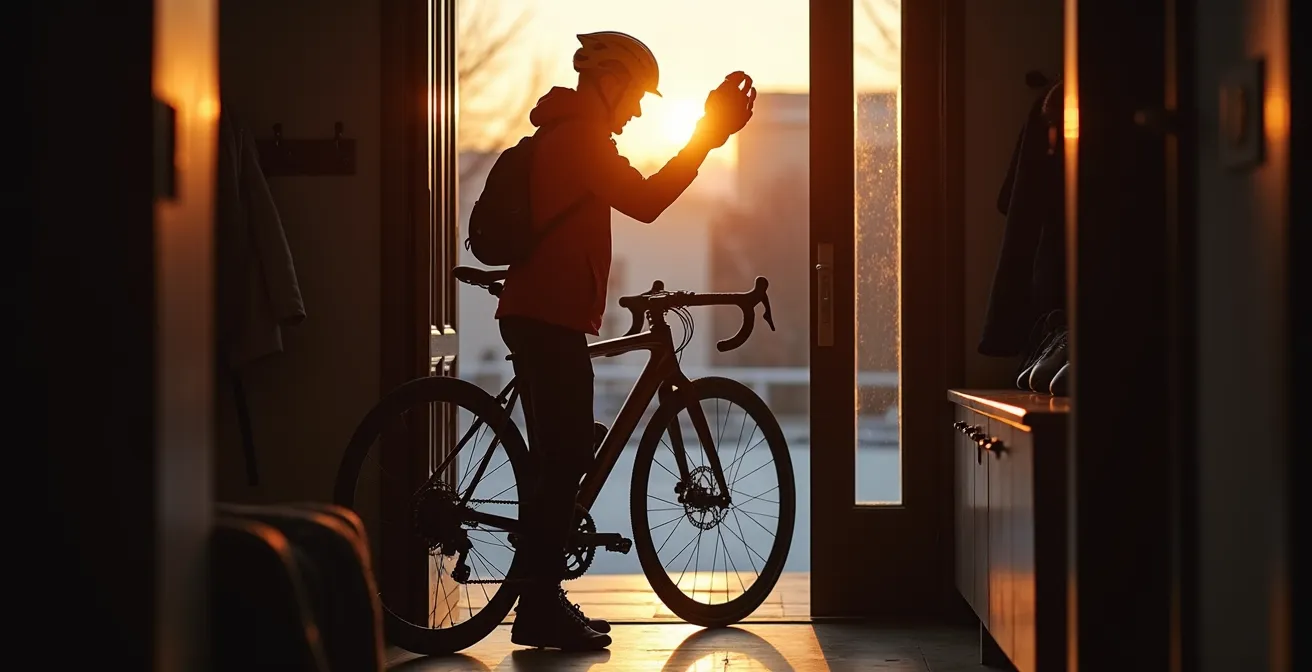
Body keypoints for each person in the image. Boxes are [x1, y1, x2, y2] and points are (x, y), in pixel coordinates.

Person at [494, 31, 756, 651]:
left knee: (560, 452)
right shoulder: (580, 140)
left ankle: (542, 592)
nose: (638, 109)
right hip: (548, 315)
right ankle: (537, 607)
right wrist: (706, 135)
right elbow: (644, 201)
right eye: (634, 94)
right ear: (607, 83)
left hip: (541, 312)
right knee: (563, 458)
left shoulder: (569, 135)